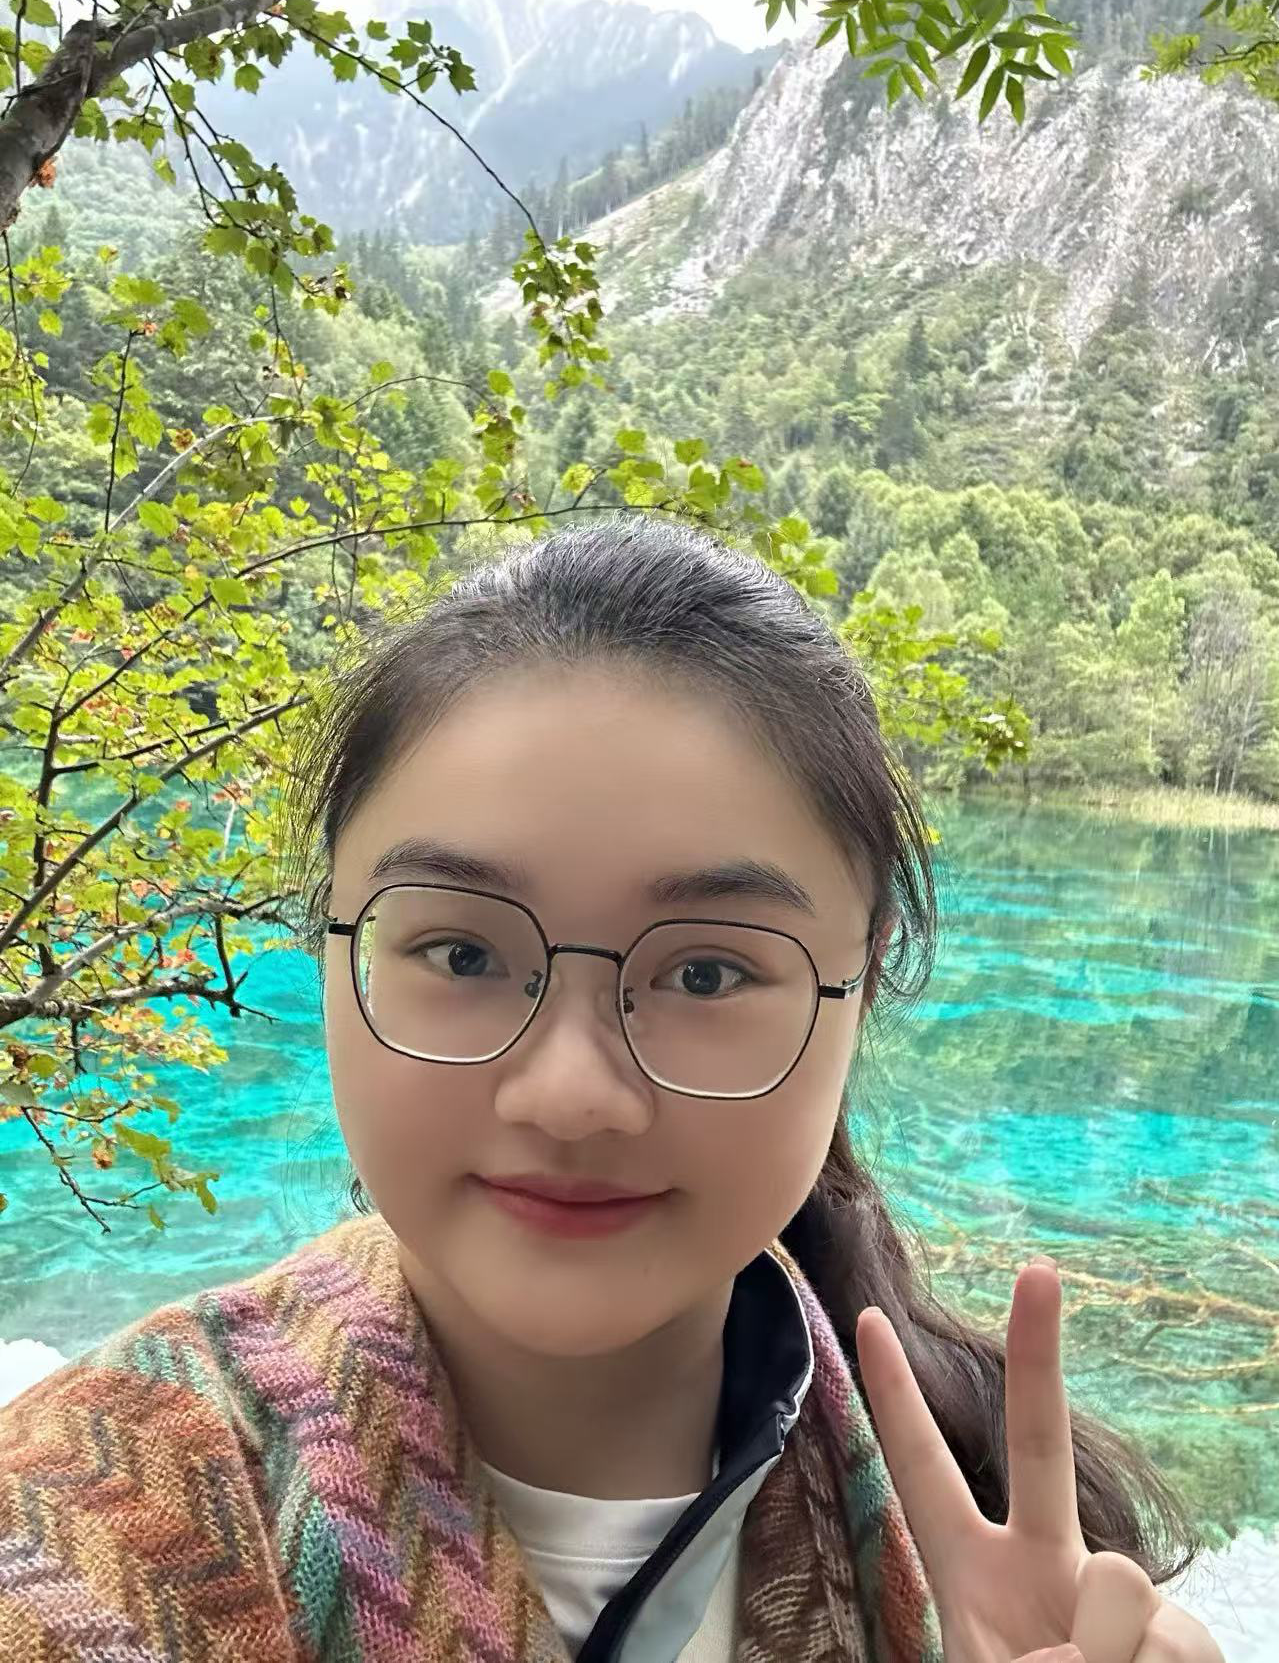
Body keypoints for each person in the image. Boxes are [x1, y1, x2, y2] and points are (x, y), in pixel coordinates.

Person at [0, 517, 1224, 1663]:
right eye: (462, 953)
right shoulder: (86, 1521)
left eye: (705, 972)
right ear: (328, 945)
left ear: (860, 989)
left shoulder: (999, 1534)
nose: (572, 1094)